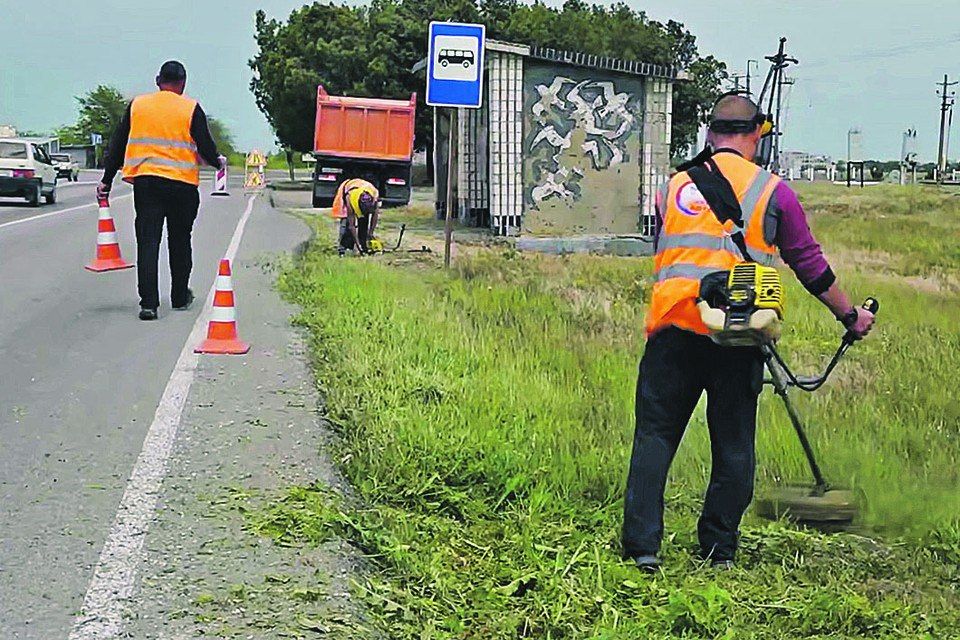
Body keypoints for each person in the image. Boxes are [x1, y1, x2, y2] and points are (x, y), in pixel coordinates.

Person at [621, 93, 875, 571]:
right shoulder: (773, 191)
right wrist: (850, 316)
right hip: (737, 335)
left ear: (709, 132)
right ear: (757, 133)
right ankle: (718, 552)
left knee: (654, 437)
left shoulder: (672, 187)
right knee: (733, 443)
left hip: (674, 327)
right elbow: (809, 264)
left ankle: (643, 550)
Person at [97, 60, 225, 321]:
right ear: (183, 83)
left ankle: (149, 304)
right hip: (182, 185)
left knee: (148, 241)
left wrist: (106, 180)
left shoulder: (137, 106)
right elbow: (207, 147)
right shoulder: (191, 108)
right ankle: (179, 296)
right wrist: (218, 161)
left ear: (158, 81)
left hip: (147, 184)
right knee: (180, 240)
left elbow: (117, 145)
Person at [331, 177, 380, 255]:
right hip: (347, 188)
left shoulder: (374, 196)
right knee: (346, 223)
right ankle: (344, 247)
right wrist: (358, 245)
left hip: (364, 187)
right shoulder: (350, 199)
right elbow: (352, 226)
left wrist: (370, 233)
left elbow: (375, 217)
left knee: (364, 222)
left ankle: (364, 246)